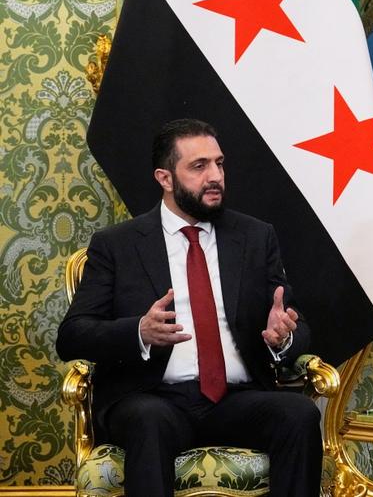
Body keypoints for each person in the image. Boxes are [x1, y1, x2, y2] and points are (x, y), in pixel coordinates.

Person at [57, 118, 322, 497]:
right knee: (148, 419)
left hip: (236, 398)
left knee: (298, 414)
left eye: (219, 163)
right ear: (165, 178)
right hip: (154, 397)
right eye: (199, 167)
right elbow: (71, 336)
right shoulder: (118, 245)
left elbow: (296, 326)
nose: (214, 176)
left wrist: (283, 338)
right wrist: (138, 332)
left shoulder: (255, 237)